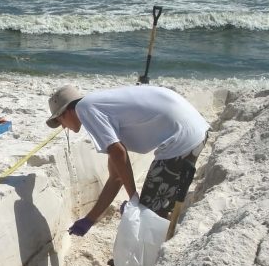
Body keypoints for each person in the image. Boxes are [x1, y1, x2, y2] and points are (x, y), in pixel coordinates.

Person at [46, 84, 209, 236]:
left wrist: (134, 199)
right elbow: (116, 176)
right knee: (155, 207)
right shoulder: (101, 107)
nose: (63, 127)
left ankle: (155, 259)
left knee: (148, 212)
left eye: (59, 121)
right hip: (195, 129)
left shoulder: (85, 108)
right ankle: (160, 249)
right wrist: (90, 219)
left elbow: (118, 152)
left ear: (65, 112)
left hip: (181, 137)